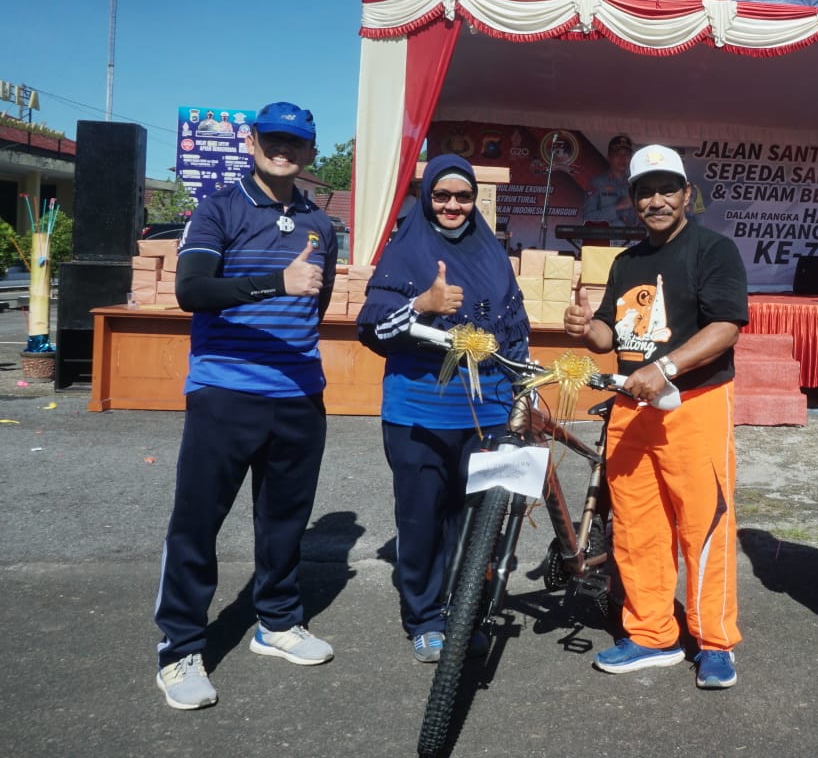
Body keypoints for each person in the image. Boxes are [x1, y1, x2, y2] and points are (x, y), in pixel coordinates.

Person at [153, 102, 339, 710]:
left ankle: (277, 623)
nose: (283, 150)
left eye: (296, 142)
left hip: (299, 395)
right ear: (253, 141)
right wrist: (274, 283)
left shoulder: (321, 223)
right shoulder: (219, 209)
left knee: (284, 521)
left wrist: (289, 299)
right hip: (225, 392)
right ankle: (180, 650)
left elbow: (314, 305)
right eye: (273, 139)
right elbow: (192, 291)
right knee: (197, 523)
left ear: (310, 152)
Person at [561, 144, 749, 690]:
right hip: (631, 407)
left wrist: (665, 368)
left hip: (694, 405)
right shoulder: (627, 263)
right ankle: (652, 635)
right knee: (637, 528)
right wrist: (585, 328)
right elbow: (609, 335)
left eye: (668, 189)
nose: (657, 200)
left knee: (703, 526)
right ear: (634, 200)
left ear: (687, 194)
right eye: (646, 192)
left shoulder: (714, 250)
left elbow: (726, 327)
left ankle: (714, 642)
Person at [356, 155, 530, 662]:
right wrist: (422, 306)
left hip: (487, 411)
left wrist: (523, 391)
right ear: (427, 197)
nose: (453, 205)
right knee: (422, 519)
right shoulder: (405, 252)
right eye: (441, 195)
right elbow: (372, 330)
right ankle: (425, 617)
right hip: (419, 413)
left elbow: (514, 333)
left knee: (475, 521)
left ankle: (464, 611)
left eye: (463, 196)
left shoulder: (492, 254)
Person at [580, 133, 638, 229]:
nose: (622, 158)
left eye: (626, 155)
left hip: (630, 237)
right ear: (609, 157)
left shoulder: (635, 184)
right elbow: (587, 218)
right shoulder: (597, 183)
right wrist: (618, 206)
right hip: (605, 237)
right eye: (617, 154)